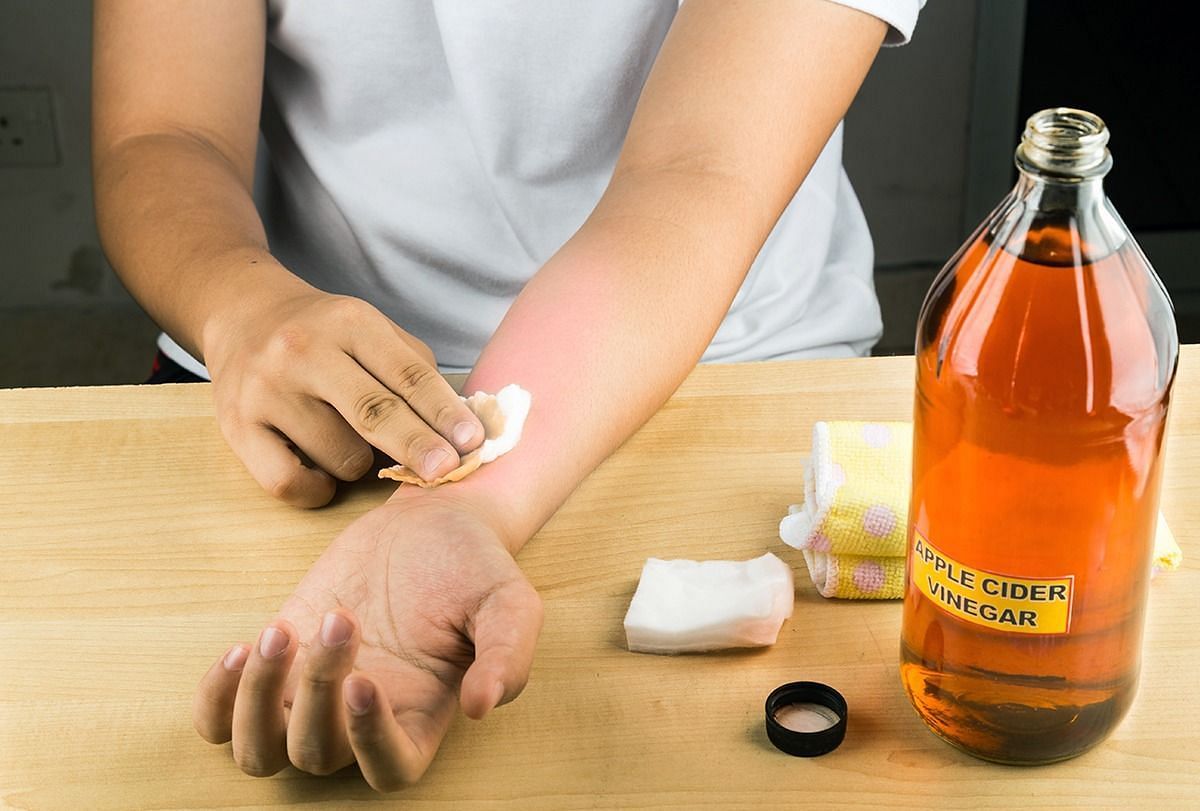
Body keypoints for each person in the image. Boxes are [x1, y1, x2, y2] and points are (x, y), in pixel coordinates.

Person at [92, 0, 922, 792]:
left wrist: (460, 506)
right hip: (294, 366)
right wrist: (242, 307)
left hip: (718, 351)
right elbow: (164, 131)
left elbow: (697, 169)